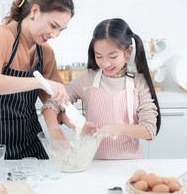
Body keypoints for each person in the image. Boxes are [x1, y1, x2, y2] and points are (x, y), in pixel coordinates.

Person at [0, 0, 75, 159]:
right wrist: (39, 82)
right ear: (35, 11)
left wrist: (74, 124)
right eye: (53, 26)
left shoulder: (45, 52)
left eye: (60, 30)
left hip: (30, 141)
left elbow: (55, 101)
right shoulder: (0, 36)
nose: (55, 34)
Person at [42, 18, 161, 159]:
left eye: (113, 56)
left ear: (128, 51)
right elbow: (52, 104)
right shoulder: (88, 78)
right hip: (91, 163)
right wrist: (60, 129)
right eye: (99, 56)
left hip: (130, 163)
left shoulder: (138, 82)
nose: (105, 63)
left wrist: (117, 128)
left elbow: (149, 130)